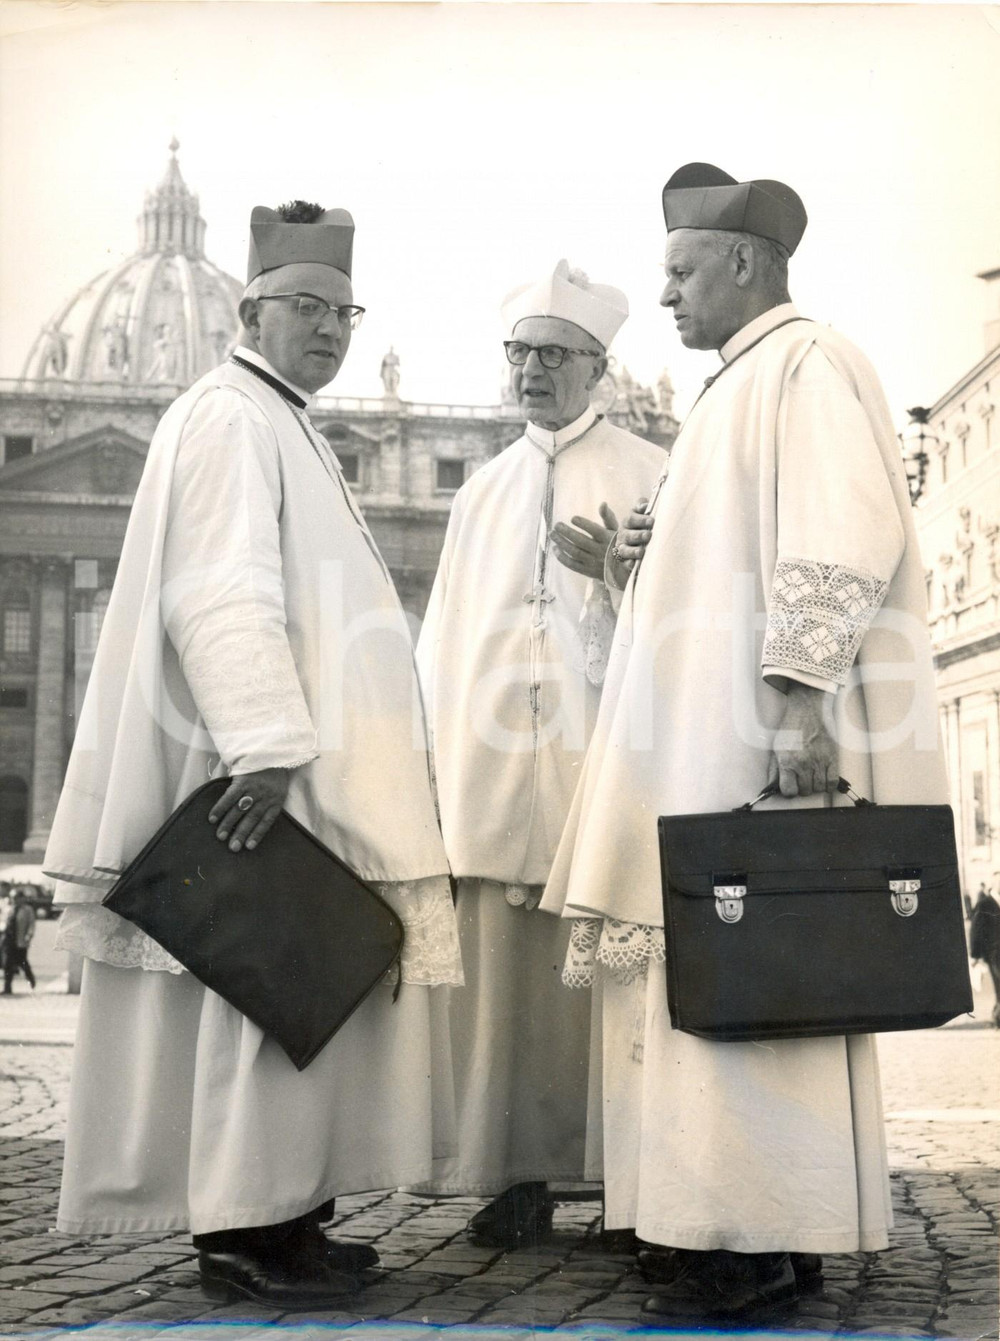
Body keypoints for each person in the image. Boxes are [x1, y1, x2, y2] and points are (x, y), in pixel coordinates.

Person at [540, 163, 949, 1322]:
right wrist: (627, 563)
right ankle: (729, 1228)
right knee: (725, 984)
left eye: (679, 272)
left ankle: (747, 1238)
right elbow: (708, 575)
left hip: (751, 741)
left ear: (743, 263)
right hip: (700, 742)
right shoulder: (733, 383)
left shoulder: (807, 363)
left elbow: (834, 537)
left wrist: (799, 703)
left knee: (761, 978)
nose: (663, 295)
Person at [44, 200, 462, 1308]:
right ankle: (244, 1230)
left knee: (301, 983)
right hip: (268, 770)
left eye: (342, 311)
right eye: (305, 308)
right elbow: (224, 589)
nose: (327, 329)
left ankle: (294, 1212)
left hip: (302, 767)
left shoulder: (279, 415)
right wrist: (267, 749)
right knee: (258, 987)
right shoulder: (229, 414)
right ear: (250, 310)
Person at [416, 260, 665, 1247]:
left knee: (606, 986)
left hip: (601, 765)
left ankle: (626, 1182)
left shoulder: (653, 474)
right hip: (488, 772)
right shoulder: (480, 491)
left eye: (553, 356)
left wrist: (611, 579)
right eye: (519, 354)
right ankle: (512, 1175)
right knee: (502, 995)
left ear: (597, 366)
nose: (531, 371)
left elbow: (679, 628)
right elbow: (444, 636)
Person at [969, 882, 1000, 1027]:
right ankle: (998, 1017)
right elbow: (976, 930)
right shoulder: (984, 904)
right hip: (994, 953)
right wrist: (975, 954)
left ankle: (997, 1016)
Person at [2, 890, 36, 994]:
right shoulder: (8, 908)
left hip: (20, 940)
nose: (14, 900)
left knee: (22, 962)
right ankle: (7, 988)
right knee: (7, 964)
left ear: (22, 898)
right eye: (13, 898)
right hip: (8, 940)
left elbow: (31, 924)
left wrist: (28, 935)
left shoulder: (27, 910)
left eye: (16, 897)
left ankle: (30, 977)